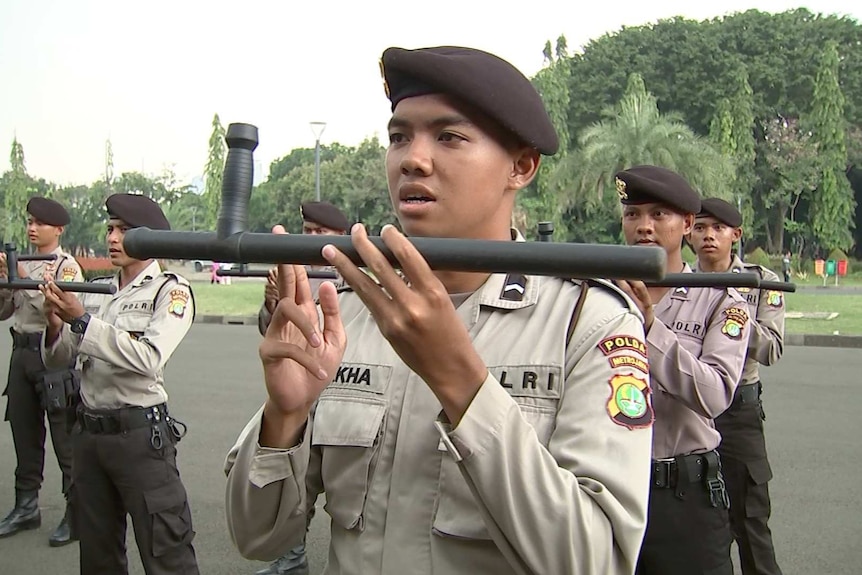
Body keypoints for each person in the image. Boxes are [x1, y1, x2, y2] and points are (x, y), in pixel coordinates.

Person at [224, 45, 655, 575]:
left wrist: (461, 383)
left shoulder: (587, 322)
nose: (412, 158)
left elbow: (597, 563)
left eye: (449, 137)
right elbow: (258, 537)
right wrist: (284, 418)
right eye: (399, 136)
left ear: (520, 166)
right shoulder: (349, 312)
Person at [39, 193, 199, 575]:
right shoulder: (98, 290)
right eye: (111, 228)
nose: (112, 238)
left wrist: (81, 321)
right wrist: (56, 324)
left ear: (151, 238)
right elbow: (60, 360)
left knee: (166, 552)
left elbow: (148, 358)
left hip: (140, 438)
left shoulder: (169, 291)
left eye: (124, 230)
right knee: (98, 556)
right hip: (90, 435)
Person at [612, 166, 750, 575]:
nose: (644, 227)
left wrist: (650, 327)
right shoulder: (601, 294)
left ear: (687, 224)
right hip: (610, 485)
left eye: (659, 215)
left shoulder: (720, 301)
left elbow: (714, 393)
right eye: (633, 214)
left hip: (682, 497)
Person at [688, 198, 786, 575]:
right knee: (695, 525)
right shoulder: (679, 281)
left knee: (750, 521)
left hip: (738, 413)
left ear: (736, 235)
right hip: (692, 408)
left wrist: (734, 309)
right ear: (689, 235)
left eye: (717, 228)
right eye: (700, 227)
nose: (708, 235)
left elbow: (772, 349)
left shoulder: (761, 282)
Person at [0, 197, 82, 546]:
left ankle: (75, 512)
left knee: (65, 439)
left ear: (58, 229)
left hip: (52, 355)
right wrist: (6, 283)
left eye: (40, 223)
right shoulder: (20, 263)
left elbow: (63, 311)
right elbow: (5, 312)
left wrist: (21, 277)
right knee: (24, 434)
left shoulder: (65, 267)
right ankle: (26, 505)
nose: (32, 228)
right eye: (30, 221)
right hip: (21, 352)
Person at [258, 201, 350, 341]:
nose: (312, 236)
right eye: (307, 230)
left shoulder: (349, 276)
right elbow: (268, 330)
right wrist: (271, 303)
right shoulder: (291, 270)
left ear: (341, 235)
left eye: (320, 231)